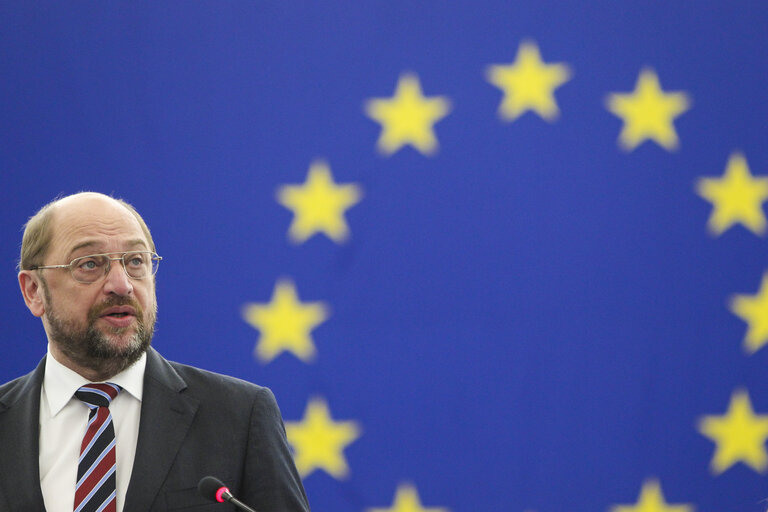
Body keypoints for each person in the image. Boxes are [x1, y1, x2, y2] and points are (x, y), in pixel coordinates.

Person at [0, 192, 310, 512]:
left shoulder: (240, 416)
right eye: (90, 264)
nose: (121, 285)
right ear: (33, 291)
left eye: (136, 261)